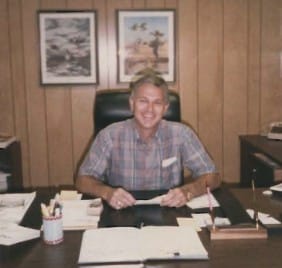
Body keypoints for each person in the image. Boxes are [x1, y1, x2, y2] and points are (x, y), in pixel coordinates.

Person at [75, 69, 221, 210]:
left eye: (157, 103)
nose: (149, 109)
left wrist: (188, 191)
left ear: (165, 108)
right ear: (132, 104)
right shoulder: (109, 136)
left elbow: (212, 176)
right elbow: (83, 180)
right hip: (121, 213)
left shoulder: (182, 134)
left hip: (168, 213)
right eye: (143, 101)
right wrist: (107, 193)